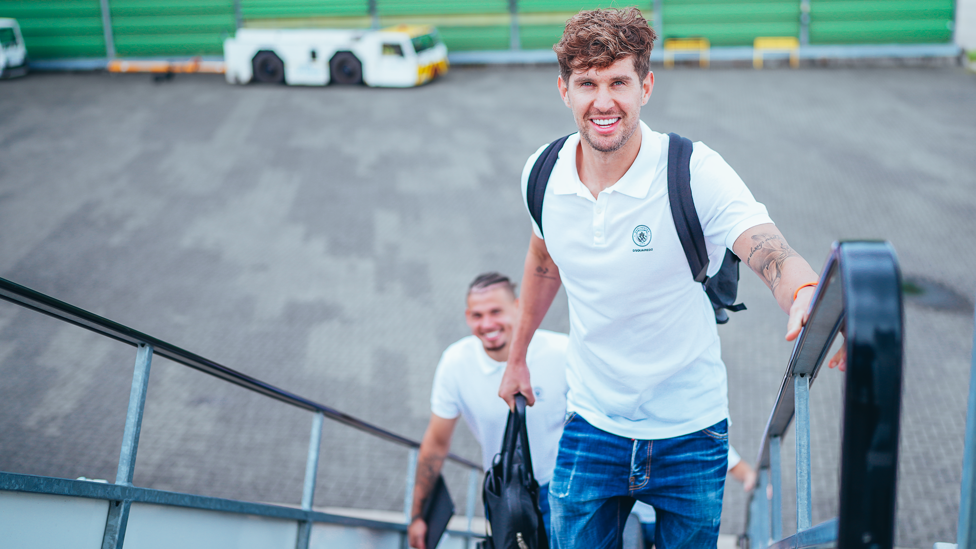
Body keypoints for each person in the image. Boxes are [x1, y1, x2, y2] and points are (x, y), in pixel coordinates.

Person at [497, 7, 844, 548]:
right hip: (592, 423)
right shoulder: (541, 174)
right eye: (588, 83)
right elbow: (545, 262)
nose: (603, 101)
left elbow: (766, 246)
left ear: (646, 86)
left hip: (692, 429)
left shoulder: (691, 170)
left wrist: (806, 294)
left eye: (619, 81)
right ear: (564, 89)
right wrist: (517, 357)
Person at [408, 272, 568, 549]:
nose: (488, 324)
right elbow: (435, 443)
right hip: (506, 493)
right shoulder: (456, 363)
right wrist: (417, 516)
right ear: (468, 316)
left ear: (519, 307)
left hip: (563, 488)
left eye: (496, 311)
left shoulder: (561, 352)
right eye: (477, 315)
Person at [631, 446, 758, 549]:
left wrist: (752, 478)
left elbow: (733, 462)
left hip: (673, 516)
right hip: (635, 516)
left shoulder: (691, 433)